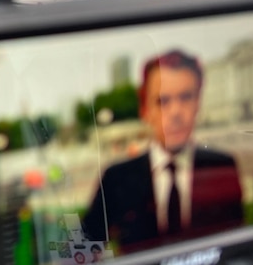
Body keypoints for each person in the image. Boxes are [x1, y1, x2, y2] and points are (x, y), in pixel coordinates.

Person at [82, 49, 243, 254]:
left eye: (186, 97)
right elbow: (78, 253)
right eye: (162, 101)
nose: (175, 112)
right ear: (145, 110)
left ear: (198, 103)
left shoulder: (223, 167)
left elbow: (238, 248)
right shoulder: (116, 178)